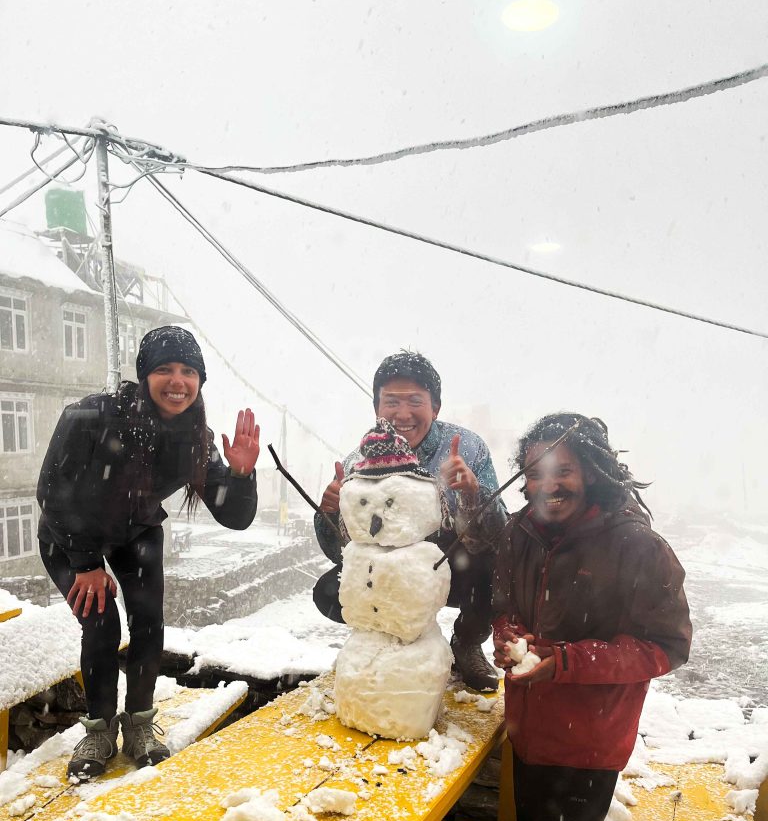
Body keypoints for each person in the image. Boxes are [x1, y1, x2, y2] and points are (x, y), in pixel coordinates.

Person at [489, 413, 691, 821]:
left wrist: (565, 662)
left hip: (588, 744)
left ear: (594, 471)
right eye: (533, 472)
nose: (547, 484)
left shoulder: (638, 548)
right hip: (527, 731)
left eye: (563, 469)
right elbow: (504, 604)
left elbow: (666, 646)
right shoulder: (519, 531)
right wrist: (508, 636)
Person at [37, 325, 260, 780]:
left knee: (147, 620)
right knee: (101, 623)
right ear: (144, 375)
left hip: (135, 531)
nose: (177, 381)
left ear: (199, 380)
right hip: (68, 536)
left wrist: (240, 474)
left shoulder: (195, 436)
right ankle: (99, 730)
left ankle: (139, 724)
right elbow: (52, 492)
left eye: (188, 371)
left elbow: (234, 516)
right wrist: (86, 564)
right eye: (164, 369)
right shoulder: (91, 416)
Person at [313, 350, 506, 690]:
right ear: (376, 408)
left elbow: (498, 534)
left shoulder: (468, 449)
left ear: (435, 407)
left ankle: (466, 641)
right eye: (391, 402)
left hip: (455, 566)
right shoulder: (359, 461)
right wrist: (330, 512)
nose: (403, 413)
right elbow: (343, 551)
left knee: (500, 572)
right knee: (330, 590)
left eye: (415, 401)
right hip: (392, 574)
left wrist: (472, 495)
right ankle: (387, 639)